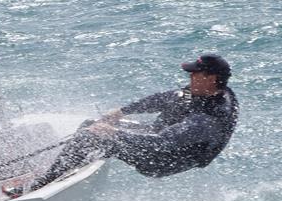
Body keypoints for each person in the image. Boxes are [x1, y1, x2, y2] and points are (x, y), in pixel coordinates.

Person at [30, 53, 238, 191]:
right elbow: (164, 99)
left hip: (164, 159)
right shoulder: (203, 90)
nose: (190, 76)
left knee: (95, 136)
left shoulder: (210, 118)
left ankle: (40, 186)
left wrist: (113, 133)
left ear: (211, 78)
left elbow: (161, 142)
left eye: (195, 73)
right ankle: (62, 171)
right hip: (159, 139)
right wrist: (122, 111)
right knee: (91, 124)